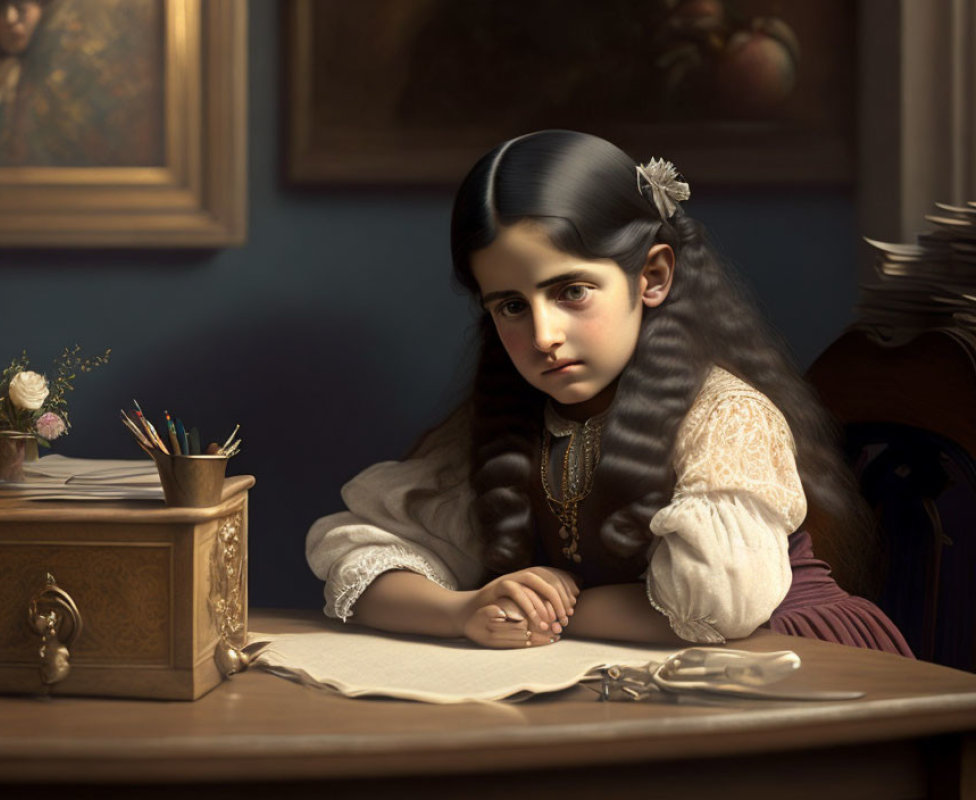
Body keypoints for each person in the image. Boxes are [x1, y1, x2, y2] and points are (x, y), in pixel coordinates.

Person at [306, 129, 912, 656]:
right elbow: (362, 553)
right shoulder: (513, 420)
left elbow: (716, 608)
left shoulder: (725, 416)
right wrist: (465, 610)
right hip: (617, 666)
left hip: (783, 662)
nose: (544, 335)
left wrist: (551, 613)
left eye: (571, 292)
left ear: (651, 277)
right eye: (512, 306)